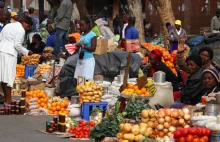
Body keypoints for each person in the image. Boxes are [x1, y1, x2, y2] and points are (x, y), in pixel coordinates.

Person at [0, 16, 33, 104]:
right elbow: (17, 45)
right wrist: (27, 52)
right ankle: (8, 100)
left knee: (3, 77)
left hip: (1, 51)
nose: (27, 28)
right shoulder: (21, 30)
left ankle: (7, 99)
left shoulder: (8, 25)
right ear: (23, 21)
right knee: (8, 78)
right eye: (28, 26)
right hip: (9, 53)